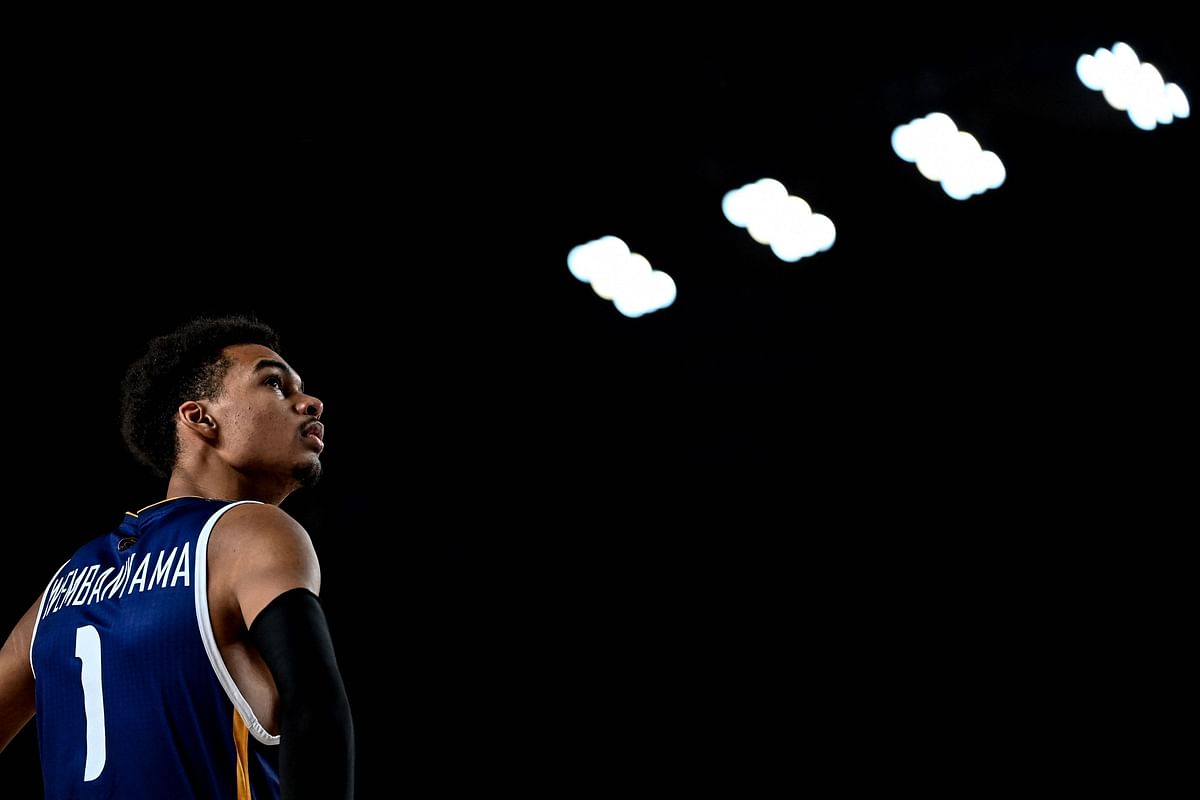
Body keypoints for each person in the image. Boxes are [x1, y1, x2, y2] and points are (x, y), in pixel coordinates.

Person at [0, 314, 354, 799]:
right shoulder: (247, 530)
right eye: (274, 383)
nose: (310, 402)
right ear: (199, 418)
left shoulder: (66, 581)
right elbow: (314, 709)